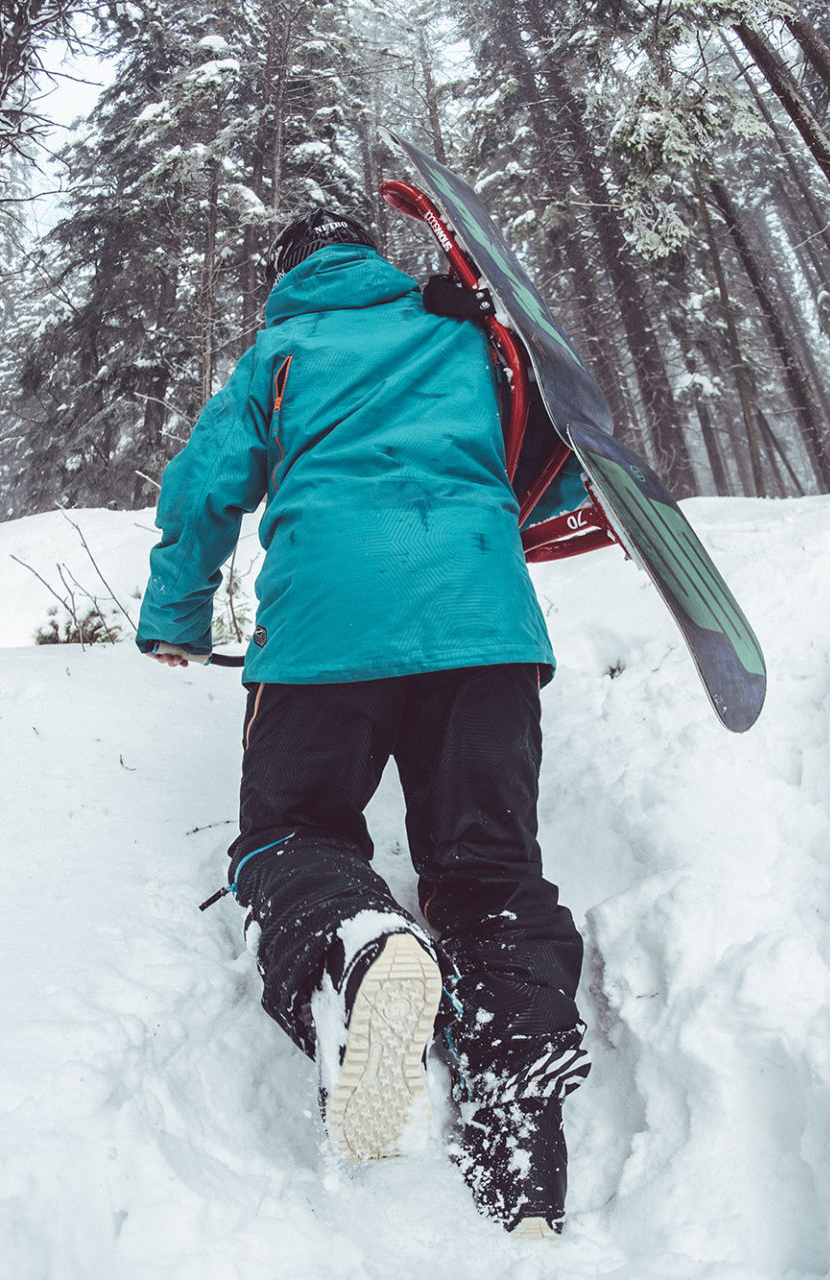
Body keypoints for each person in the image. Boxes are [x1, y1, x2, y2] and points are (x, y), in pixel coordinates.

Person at [136, 208, 589, 1237]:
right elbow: (546, 459)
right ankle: (520, 1121)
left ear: (283, 272)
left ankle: (356, 950)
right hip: (483, 622)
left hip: (325, 633)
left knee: (291, 830)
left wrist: (174, 615)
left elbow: (205, 484)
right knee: (489, 865)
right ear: (370, 257)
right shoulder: (462, 326)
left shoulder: (280, 351)